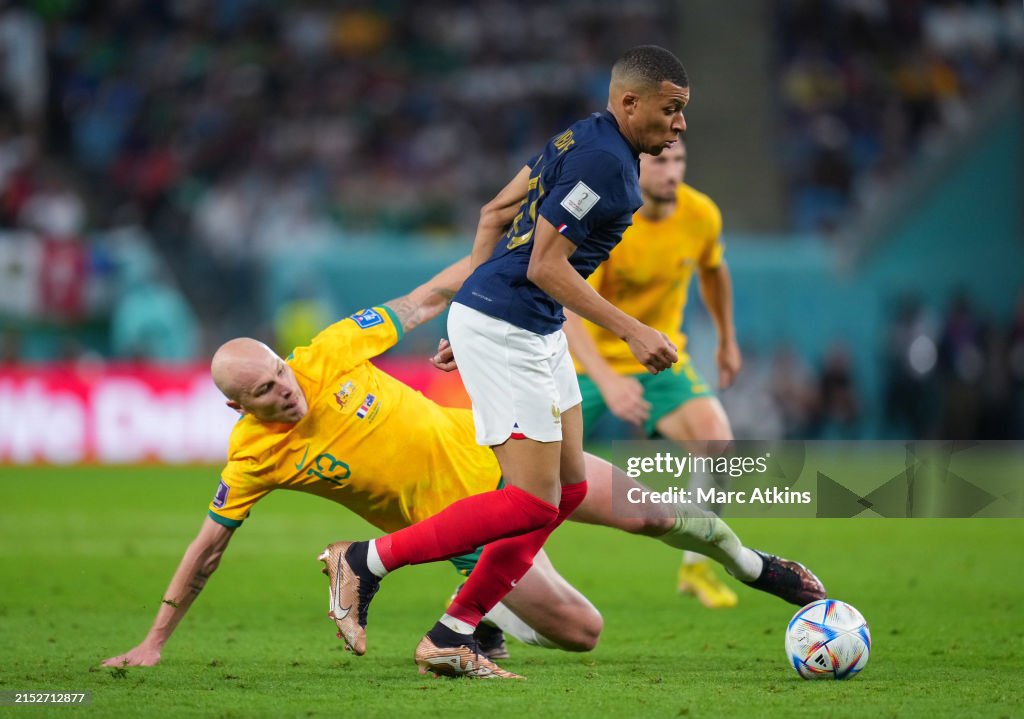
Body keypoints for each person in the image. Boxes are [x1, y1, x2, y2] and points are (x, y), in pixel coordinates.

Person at [101, 258, 826, 673]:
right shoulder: (254, 454)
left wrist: (493, 264)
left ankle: (753, 566)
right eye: (263, 391)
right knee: (583, 631)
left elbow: (422, 300)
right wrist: (154, 640)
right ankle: (477, 615)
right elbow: (208, 547)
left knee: (661, 513)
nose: (284, 389)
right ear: (237, 407)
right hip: (467, 529)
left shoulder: (322, 353)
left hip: (504, 452)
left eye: (279, 374)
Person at [322, 45, 730, 680]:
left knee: (564, 490)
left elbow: (493, 213)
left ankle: (454, 631)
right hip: (512, 325)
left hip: (517, 323)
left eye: (684, 113)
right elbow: (544, 265)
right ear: (630, 102)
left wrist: (472, 308)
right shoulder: (607, 168)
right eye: (671, 110)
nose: (680, 125)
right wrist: (630, 331)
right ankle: (366, 561)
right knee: (533, 501)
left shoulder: (581, 136)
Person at [563, 138, 742, 608]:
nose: (673, 171)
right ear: (637, 167)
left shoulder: (701, 214)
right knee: (538, 482)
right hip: (586, 363)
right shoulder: (611, 219)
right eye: (661, 161)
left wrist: (726, 339)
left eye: (680, 159)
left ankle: (697, 569)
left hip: (660, 359)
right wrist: (607, 380)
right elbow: (571, 310)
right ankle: (498, 586)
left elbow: (714, 270)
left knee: (718, 445)